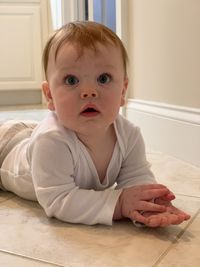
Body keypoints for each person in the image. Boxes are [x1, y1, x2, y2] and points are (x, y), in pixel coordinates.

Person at [0, 21, 190, 227]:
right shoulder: (51, 141)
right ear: (50, 96)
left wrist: (146, 203)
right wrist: (119, 204)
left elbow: (136, 175)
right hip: (6, 149)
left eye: (104, 78)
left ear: (123, 91)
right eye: (71, 80)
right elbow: (58, 199)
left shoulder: (129, 135)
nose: (89, 91)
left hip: (28, 134)